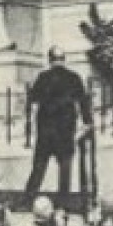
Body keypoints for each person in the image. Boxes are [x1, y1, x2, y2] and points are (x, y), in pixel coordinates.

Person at [24, 48, 93, 203]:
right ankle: (63, 200)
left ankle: (29, 197)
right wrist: (87, 122)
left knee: (39, 166)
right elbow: (83, 101)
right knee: (65, 167)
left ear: (50, 60)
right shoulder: (74, 78)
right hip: (65, 130)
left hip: (46, 130)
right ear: (63, 59)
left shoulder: (43, 77)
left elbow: (32, 100)